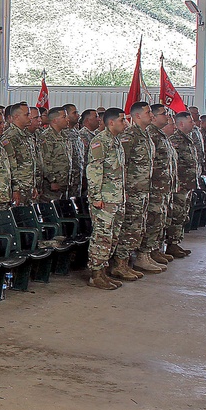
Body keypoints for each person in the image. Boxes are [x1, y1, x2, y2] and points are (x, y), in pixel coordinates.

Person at [110, 102, 160, 281]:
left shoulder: (145, 135)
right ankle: (119, 264)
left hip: (143, 190)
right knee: (129, 227)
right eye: (148, 113)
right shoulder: (129, 135)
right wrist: (125, 189)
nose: (152, 116)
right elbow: (121, 164)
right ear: (137, 116)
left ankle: (129, 261)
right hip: (132, 191)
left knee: (137, 227)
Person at [85, 108, 128, 290]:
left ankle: (104, 270)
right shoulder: (100, 141)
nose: (125, 123)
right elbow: (94, 171)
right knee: (101, 236)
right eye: (122, 120)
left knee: (112, 236)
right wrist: (95, 197)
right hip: (104, 199)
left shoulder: (116, 141)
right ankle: (96, 274)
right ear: (111, 122)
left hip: (116, 197)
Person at [141, 105, 176, 265]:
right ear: (154, 117)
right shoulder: (151, 135)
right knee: (152, 219)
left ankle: (154, 250)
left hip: (163, 187)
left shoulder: (160, 135)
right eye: (164, 114)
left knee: (160, 219)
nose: (167, 116)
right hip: (153, 187)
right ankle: (144, 254)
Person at [165, 112, 198, 257]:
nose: (194, 124)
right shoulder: (175, 140)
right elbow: (173, 164)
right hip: (179, 185)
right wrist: (176, 182)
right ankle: (171, 243)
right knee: (177, 214)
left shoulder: (187, 139)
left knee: (183, 214)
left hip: (187, 184)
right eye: (191, 121)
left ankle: (176, 242)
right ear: (182, 124)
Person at [1, 102, 39, 205]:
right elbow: (10, 165)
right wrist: (15, 189)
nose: (30, 117)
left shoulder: (27, 135)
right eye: (27, 115)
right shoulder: (10, 136)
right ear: (16, 117)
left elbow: (31, 163)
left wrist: (33, 186)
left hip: (28, 187)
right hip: (19, 188)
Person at [39, 107, 72, 202]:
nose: (67, 119)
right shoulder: (47, 137)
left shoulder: (65, 136)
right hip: (52, 185)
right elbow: (45, 161)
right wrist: (52, 180)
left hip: (64, 182)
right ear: (55, 120)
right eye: (64, 117)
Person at [63, 104, 85, 198]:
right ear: (66, 115)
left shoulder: (76, 131)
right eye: (74, 113)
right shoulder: (62, 133)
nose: (78, 115)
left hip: (77, 178)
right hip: (66, 179)